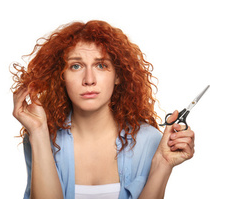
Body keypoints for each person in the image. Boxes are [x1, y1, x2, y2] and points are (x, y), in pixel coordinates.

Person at [11, 20, 195, 199]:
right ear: (61, 77)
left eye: (101, 65)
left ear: (118, 76)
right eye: (76, 66)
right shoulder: (43, 135)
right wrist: (38, 132)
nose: (89, 79)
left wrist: (163, 164)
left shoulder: (149, 141)